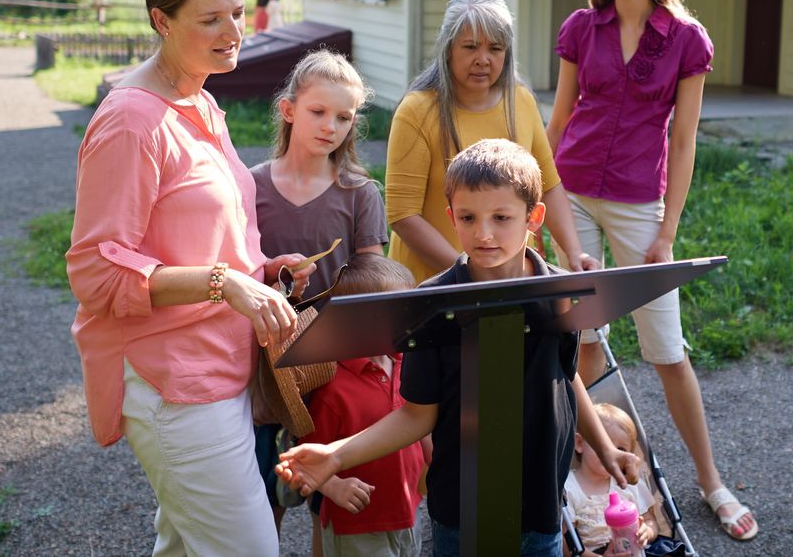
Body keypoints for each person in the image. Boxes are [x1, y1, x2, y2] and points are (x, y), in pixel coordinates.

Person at [65, 0, 314, 556]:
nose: (233, 31)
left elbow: (205, 228)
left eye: (236, 13)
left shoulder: (201, 101)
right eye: (210, 19)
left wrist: (263, 271)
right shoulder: (131, 121)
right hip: (175, 385)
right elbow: (97, 270)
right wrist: (223, 281)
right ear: (161, 21)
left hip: (221, 369)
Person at [277, 139, 639, 557]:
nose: (484, 233)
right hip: (463, 515)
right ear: (451, 217)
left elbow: (565, 374)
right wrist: (336, 455)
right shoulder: (431, 306)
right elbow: (416, 414)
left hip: (541, 507)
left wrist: (604, 446)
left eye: (501, 217)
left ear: (533, 217)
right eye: (468, 217)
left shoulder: (561, 292)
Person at [545, 0, 758, 542]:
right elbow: (557, 119)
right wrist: (534, 198)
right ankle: (569, 480)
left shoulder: (687, 39)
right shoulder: (582, 28)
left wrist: (667, 230)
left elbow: (685, 139)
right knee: (582, 338)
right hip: (573, 191)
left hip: (641, 202)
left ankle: (711, 481)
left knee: (667, 351)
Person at [249, 49, 390, 539]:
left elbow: (372, 284)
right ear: (289, 110)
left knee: (326, 502)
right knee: (265, 490)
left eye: (344, 117)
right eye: (318, 112)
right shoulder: (250, 187)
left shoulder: (359, 193)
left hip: (336, 367)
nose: (331, 126)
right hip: (266, 365)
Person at [385, 0, 591, 284]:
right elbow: (403, 216)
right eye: (470, 47)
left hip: (511, 280)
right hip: (433, 285)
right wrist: (468, 274)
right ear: (448, 48)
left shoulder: (521, 100)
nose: (483, 59)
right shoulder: (417, 110)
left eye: (495, 48)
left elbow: (549, 185)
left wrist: (574, 253)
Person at [300, 254, 428, 557]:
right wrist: (333, 487)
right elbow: (306, 459)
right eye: (394, 312)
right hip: (359, 524)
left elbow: (418, 422)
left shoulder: (404, 364)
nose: (405, 321)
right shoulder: (334, 388)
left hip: (408, 513)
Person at [564, 403, 659, 554]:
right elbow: (567, 545)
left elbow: (650, 521)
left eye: (620, 450)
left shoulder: (629, 484)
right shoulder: (569, 488)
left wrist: (646, 531)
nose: (612, 454)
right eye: (605, 445)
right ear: (580, 444)